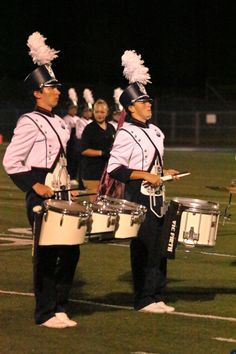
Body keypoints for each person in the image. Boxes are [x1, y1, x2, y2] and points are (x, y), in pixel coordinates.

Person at [2, 32, 79, 328]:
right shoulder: (29, 121)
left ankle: (60, 305)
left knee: (71, 251)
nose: (57, 92)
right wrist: (34, 185)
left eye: (57, 87)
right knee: (47, 254)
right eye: (51, 87)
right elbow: (11, 161)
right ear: (37, 92)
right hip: (41, 196)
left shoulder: (60, 122)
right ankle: (45, 312)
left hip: (63, 195)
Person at [107, 50, 179, 313]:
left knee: (160, 247)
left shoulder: (157, 131)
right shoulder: (125, 133)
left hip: (157, 195)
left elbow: (153, 165)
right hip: (138, 195)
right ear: (131, 107)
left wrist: (162, 171)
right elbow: (114, 168)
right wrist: (143, 174)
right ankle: (144, 298)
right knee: (144, 247)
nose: (149, 104)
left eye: (149, 100)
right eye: (143, 102)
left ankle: (158, 294)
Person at [80, 98, 115, 197]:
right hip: (92, 173)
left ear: (107, 113)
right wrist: (102, 153)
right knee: (96, 205)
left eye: (102, 112)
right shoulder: (89, 129)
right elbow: (84, 150)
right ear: (93, 112)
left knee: (107, 204)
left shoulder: (111, 128)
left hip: (108, 173)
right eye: (97, 112)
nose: (99, 114)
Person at [63, 88, 80, 185]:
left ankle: (74, 176)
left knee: (76, 160)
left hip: (77, 143)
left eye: (75, 108)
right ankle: (68, 176)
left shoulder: (78, 118)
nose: (74, 110)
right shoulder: (65, 118)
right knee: (69, 160)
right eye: (72, 108)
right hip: (69, 142)